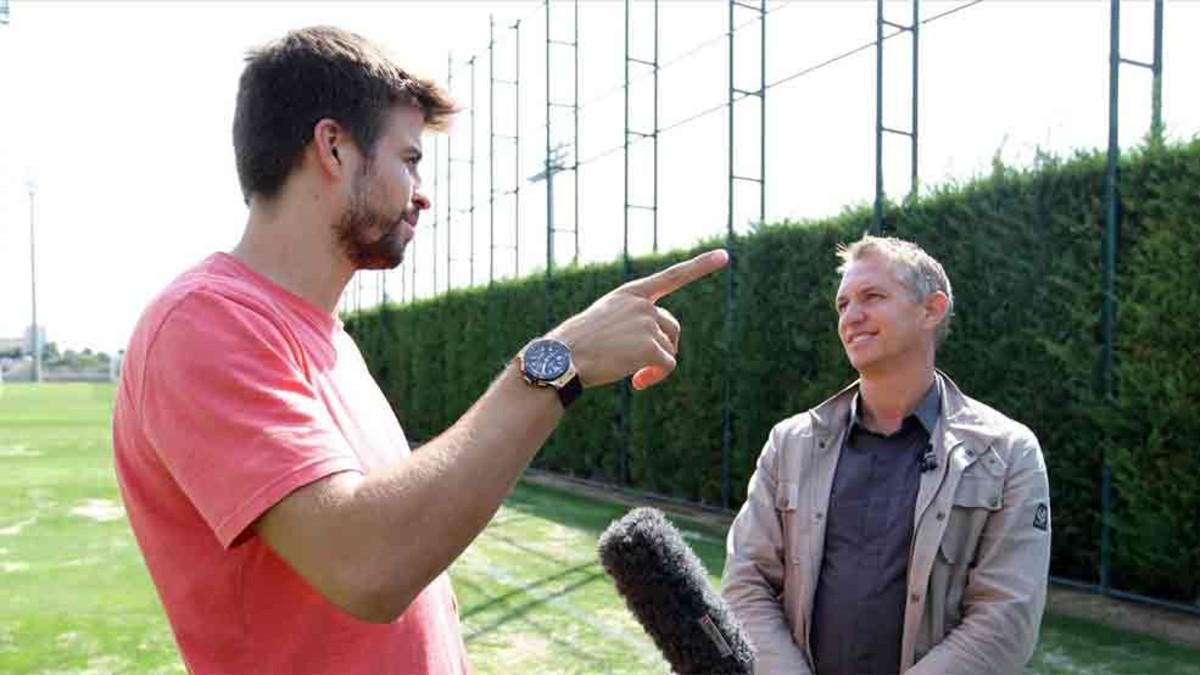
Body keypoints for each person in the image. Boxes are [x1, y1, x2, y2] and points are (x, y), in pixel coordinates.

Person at [112, 26, 727, 674]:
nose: (422, 191)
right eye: (408, 160)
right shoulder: (203, 324)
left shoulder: (326, 340)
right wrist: (558, 359)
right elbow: (369, 561)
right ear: (333, 147)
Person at [722, 234, 1050, 674]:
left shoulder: (1007, 452)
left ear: (931, 310)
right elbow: (747, 581)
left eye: (872, 297)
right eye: (843, 304)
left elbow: (1006, 617)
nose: (851, 317)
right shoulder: (790, 443)